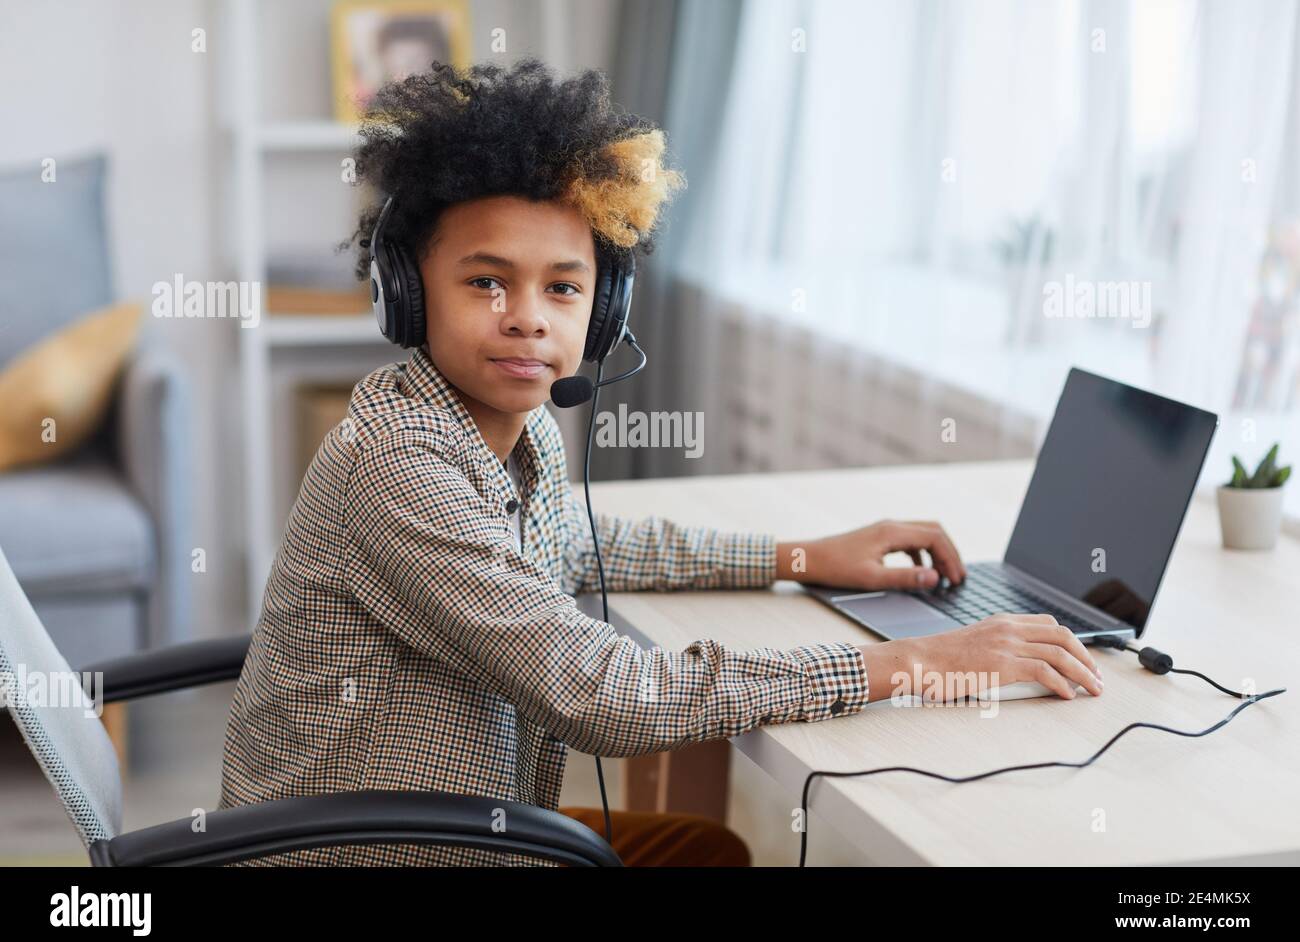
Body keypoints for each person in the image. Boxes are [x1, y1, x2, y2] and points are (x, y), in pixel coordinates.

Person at [218, 59, 1102, 867]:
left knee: (703, 851)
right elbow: (610, 698)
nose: (530, 317)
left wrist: (804, 558)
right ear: (406, 292)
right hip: (362, 852)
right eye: (487, 281)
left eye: (563, 288)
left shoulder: (506, 426)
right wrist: (919, 665)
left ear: (603, 314)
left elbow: (580, 543)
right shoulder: (397, 462)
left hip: (449, 827)